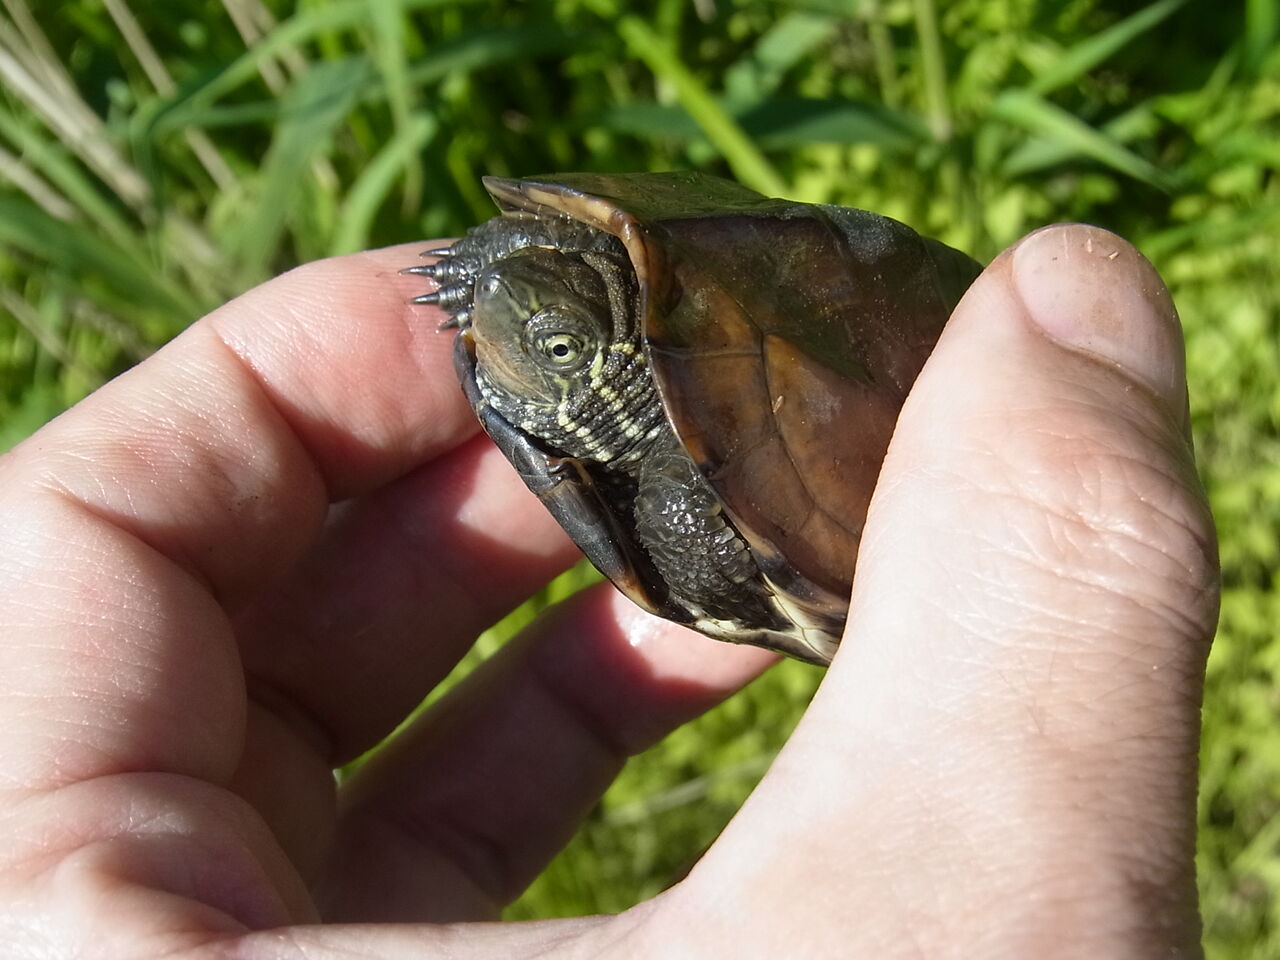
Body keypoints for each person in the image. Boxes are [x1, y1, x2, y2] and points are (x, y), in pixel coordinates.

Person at [0, 223, 1217, 958]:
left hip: (843, 454)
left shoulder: (682, 495)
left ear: (601, 371)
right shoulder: (573, 372)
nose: (507, 323)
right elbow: (534, 291)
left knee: (690, 498)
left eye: (566, 350)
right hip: (698, 396)